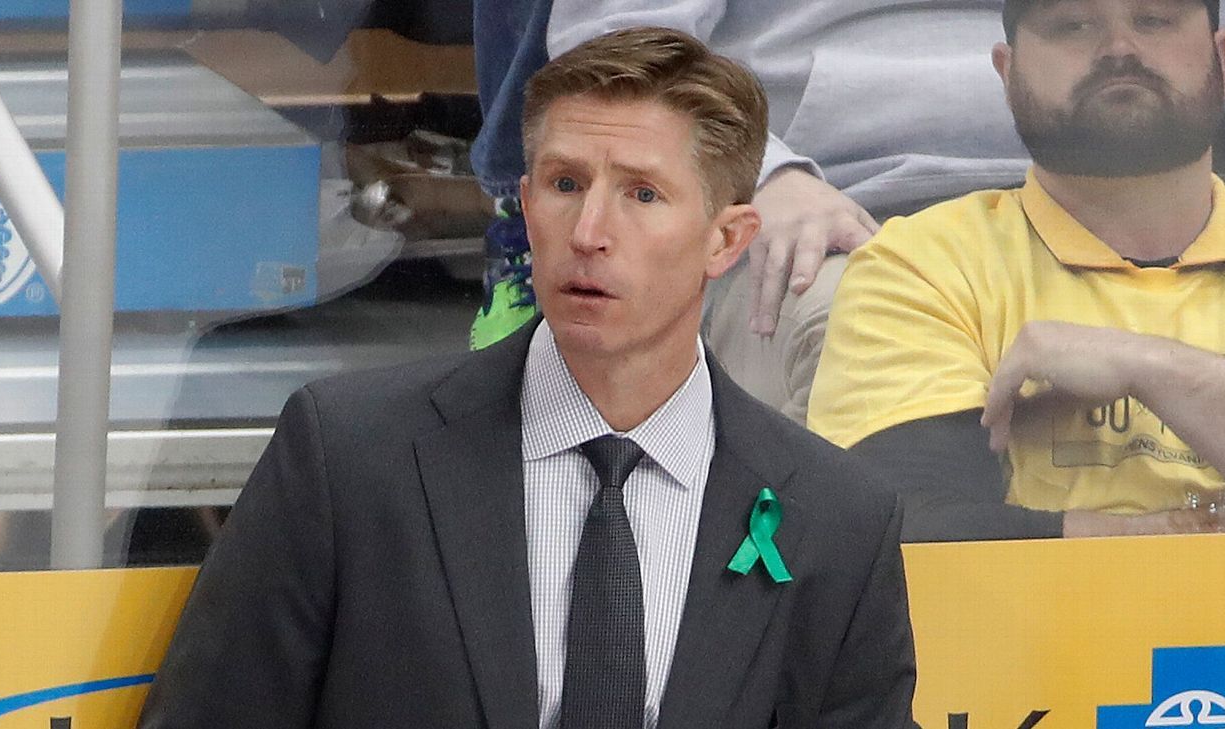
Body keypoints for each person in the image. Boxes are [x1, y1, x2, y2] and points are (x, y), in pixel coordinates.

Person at [138, 27, 917, 729]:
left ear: (727, 240)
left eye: (642, 194)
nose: (589, 232)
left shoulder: (837, 518)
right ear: (524, 202)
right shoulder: (347, 456)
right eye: (565, 184)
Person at [545, 0, 1225, 421]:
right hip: (836, 207)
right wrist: (761, 173)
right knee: (854, 338)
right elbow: (615, 46)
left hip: (1147, 190)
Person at [806, 0, 1225, 543]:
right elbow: (906, 531)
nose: (1119, 49)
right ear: (1007, 73)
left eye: (1153, 20)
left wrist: (1150, 367)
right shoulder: (922, 263)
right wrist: (1194, 533)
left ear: (1221, 58)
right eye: (1072, 25)